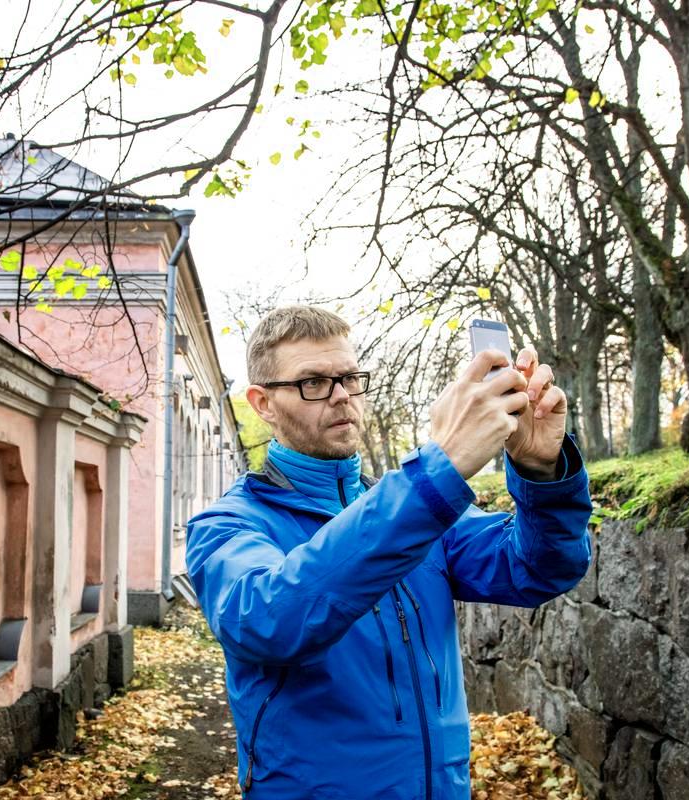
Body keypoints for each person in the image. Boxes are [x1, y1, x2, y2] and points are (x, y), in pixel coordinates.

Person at [186, 305, 593, 800]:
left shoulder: (416, 506)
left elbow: (539, 569)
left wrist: (541, 470)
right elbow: (272, 621)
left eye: (350, 378)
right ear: (263, 403)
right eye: (313, 383)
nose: (340, 397)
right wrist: (439, 469)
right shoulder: (228, 525)